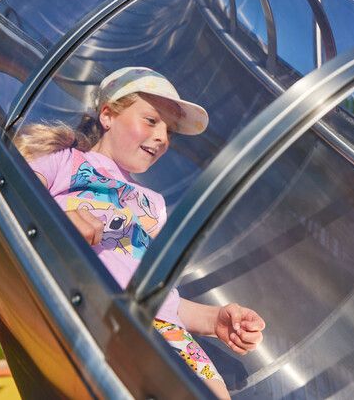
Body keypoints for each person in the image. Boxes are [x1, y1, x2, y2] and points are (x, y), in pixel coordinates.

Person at [16, 66, 264, 399]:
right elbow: (12, 190)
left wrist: (214, 319)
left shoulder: (153, 203)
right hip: (104, 322)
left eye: (170, 131)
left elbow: (161, 299)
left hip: (168, 334)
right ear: (108, 115)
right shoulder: (68, 163)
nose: (163, 137)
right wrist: (59, 215)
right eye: (151, 120)